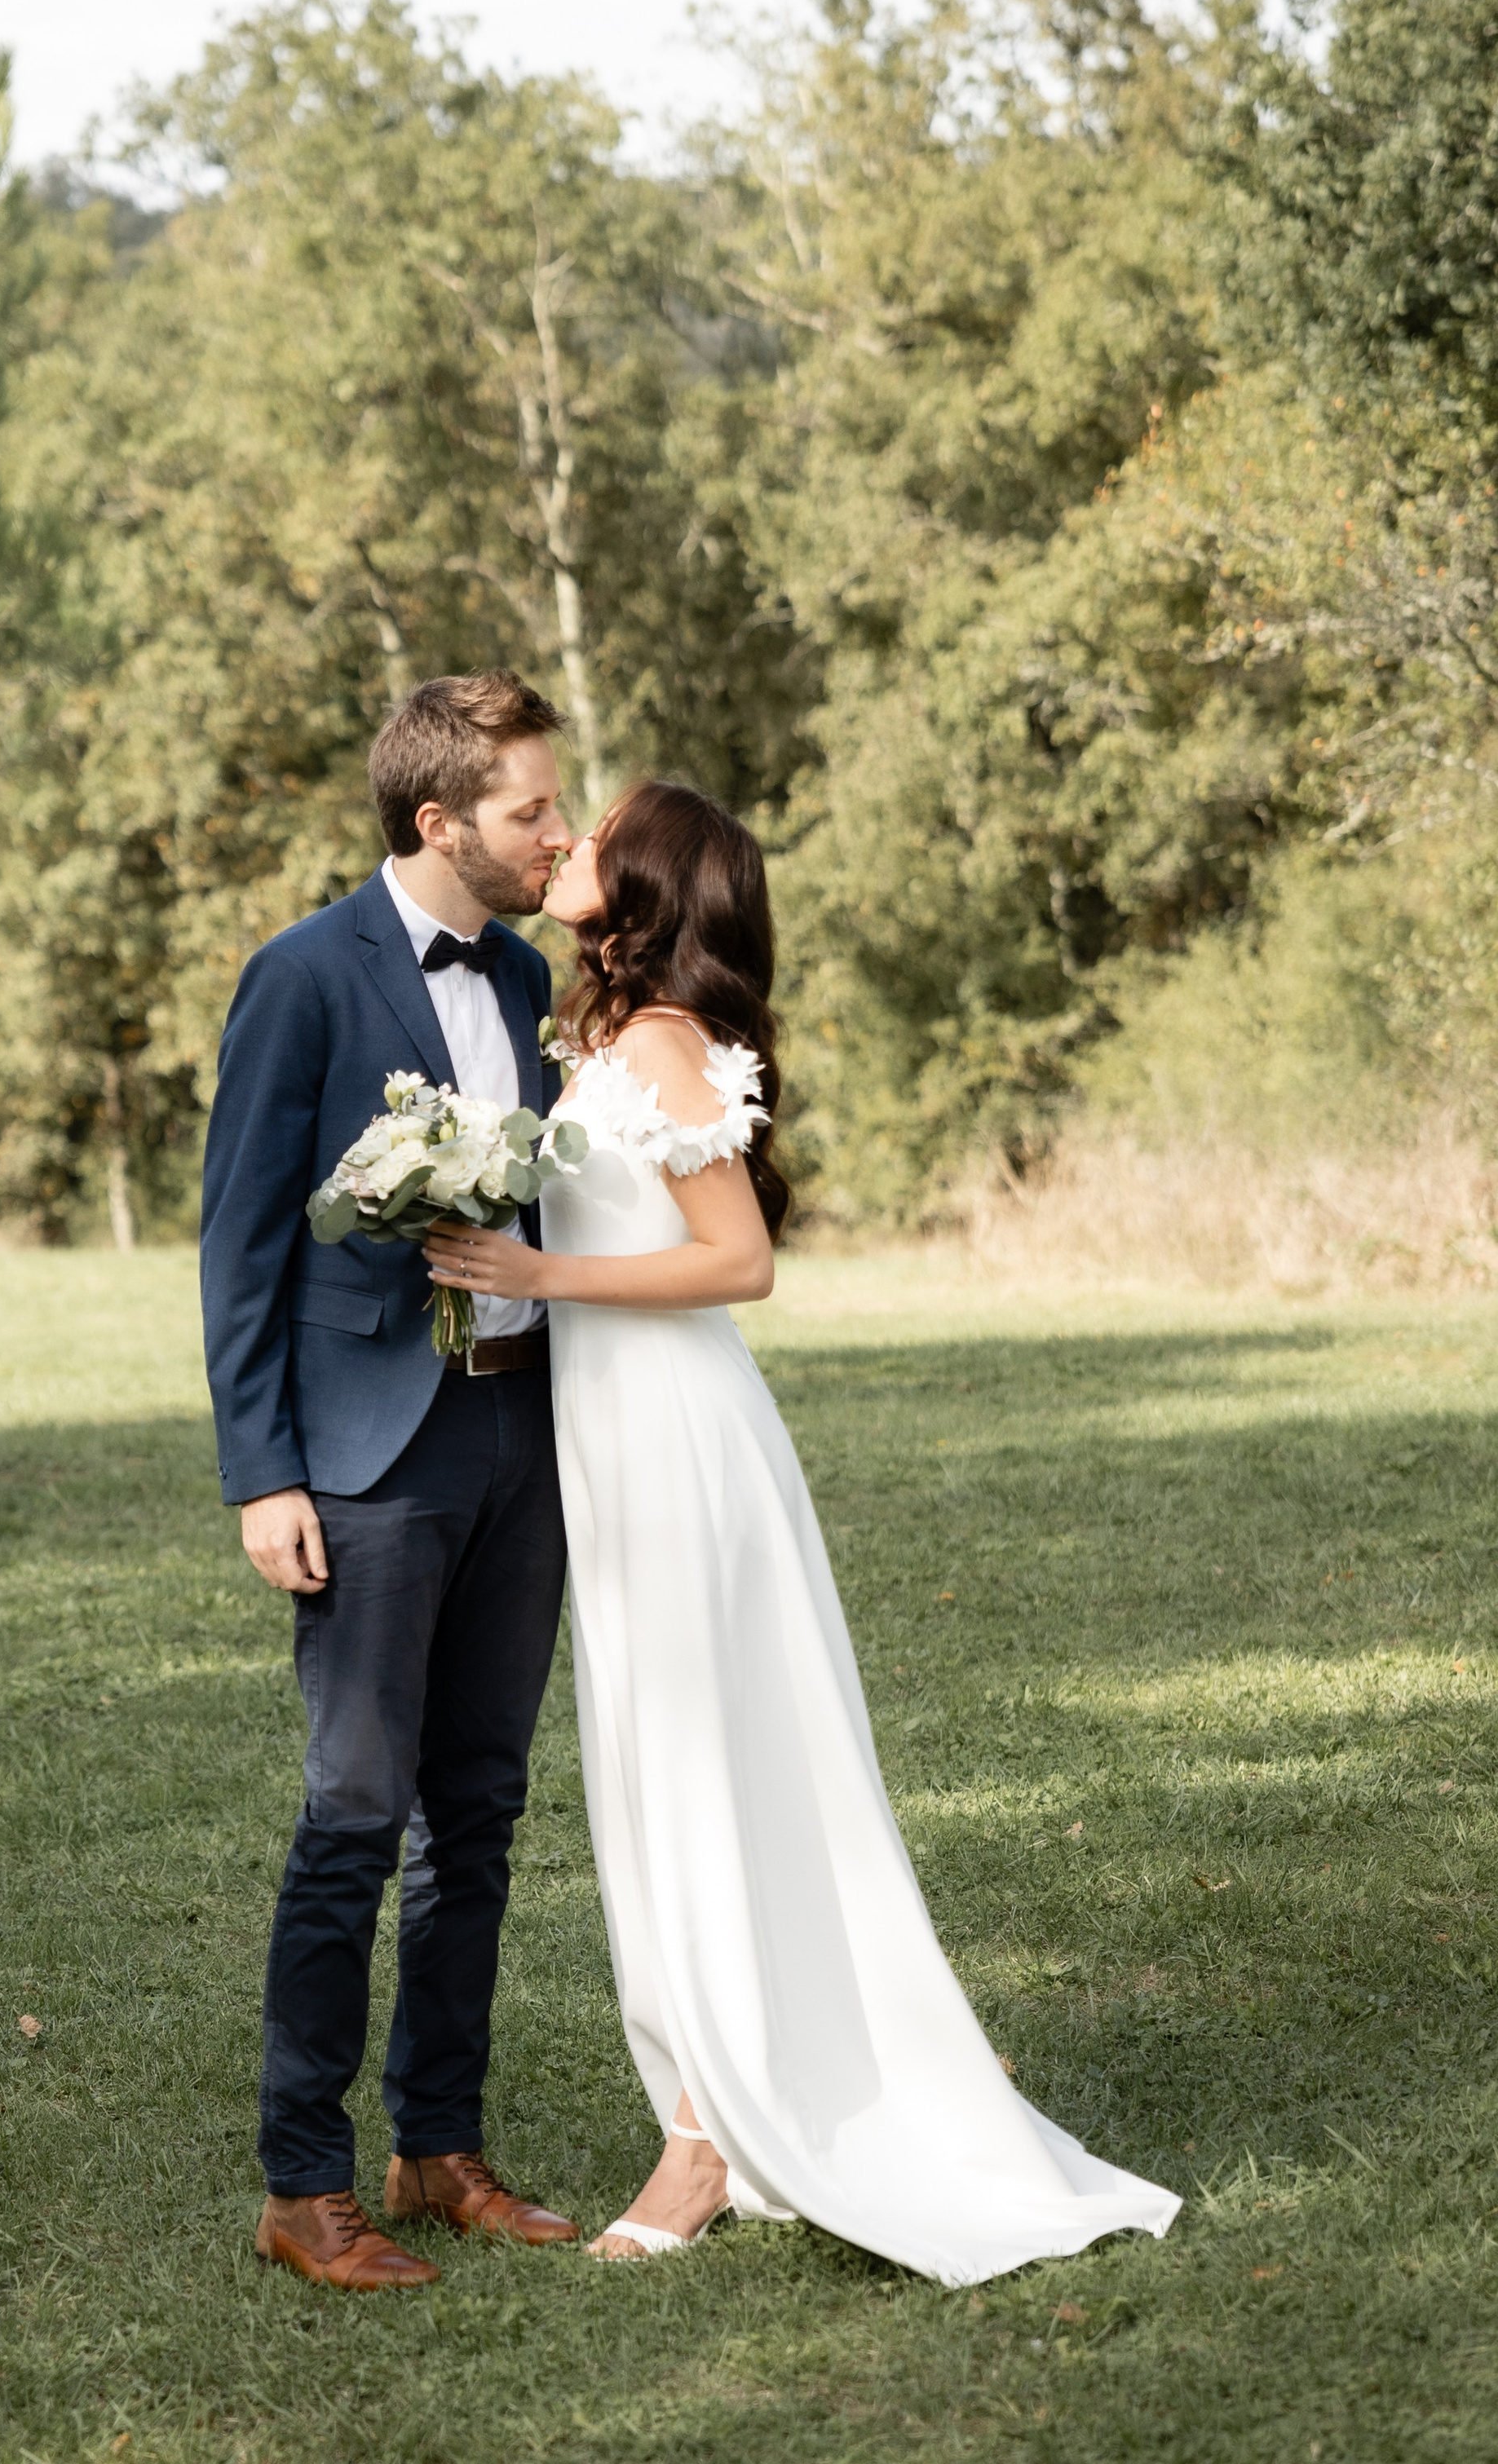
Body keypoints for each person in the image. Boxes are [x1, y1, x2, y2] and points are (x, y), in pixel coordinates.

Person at [426, 779, 1182, 2283]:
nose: (567, 842)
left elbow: (740, 1261)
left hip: (682, 1445)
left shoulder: (659, 1046)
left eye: (598, 830)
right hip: (614, 1446)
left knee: (709, 1770)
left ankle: (707, 2138)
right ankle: (747, 2082)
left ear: (650, 882)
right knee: (655, 1774)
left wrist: (535, 1271)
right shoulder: (604, 1035)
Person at [201, 672, 583, 2290]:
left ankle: (437, 2149)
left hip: (517, 1434)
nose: (554, 833)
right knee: (355, 1815)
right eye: (528, 813)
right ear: (438, 824)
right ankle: (305, 2183)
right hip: (361, 1457)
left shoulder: (527, 972)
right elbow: (237, 1236)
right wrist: (259, 1471)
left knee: (477, 1815)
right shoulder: (301, 975)